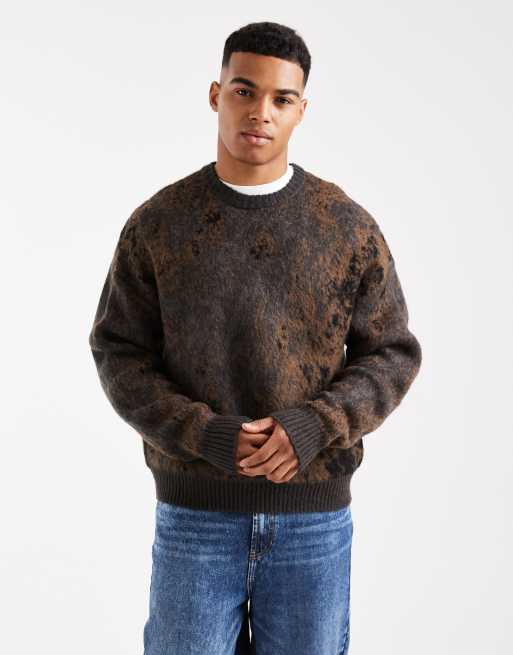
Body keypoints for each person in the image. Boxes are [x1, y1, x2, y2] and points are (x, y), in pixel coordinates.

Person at [88, 20, 422, 655]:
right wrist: (205, 434)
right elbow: (119, 353)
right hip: (195, 518)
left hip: (312, 524)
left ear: (301, 110)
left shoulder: (345, 227)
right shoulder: (159, 224)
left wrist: (314, 426)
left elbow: (392, 353)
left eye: (281, 98)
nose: (260, 112)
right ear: (216, 94)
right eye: (244, 91)